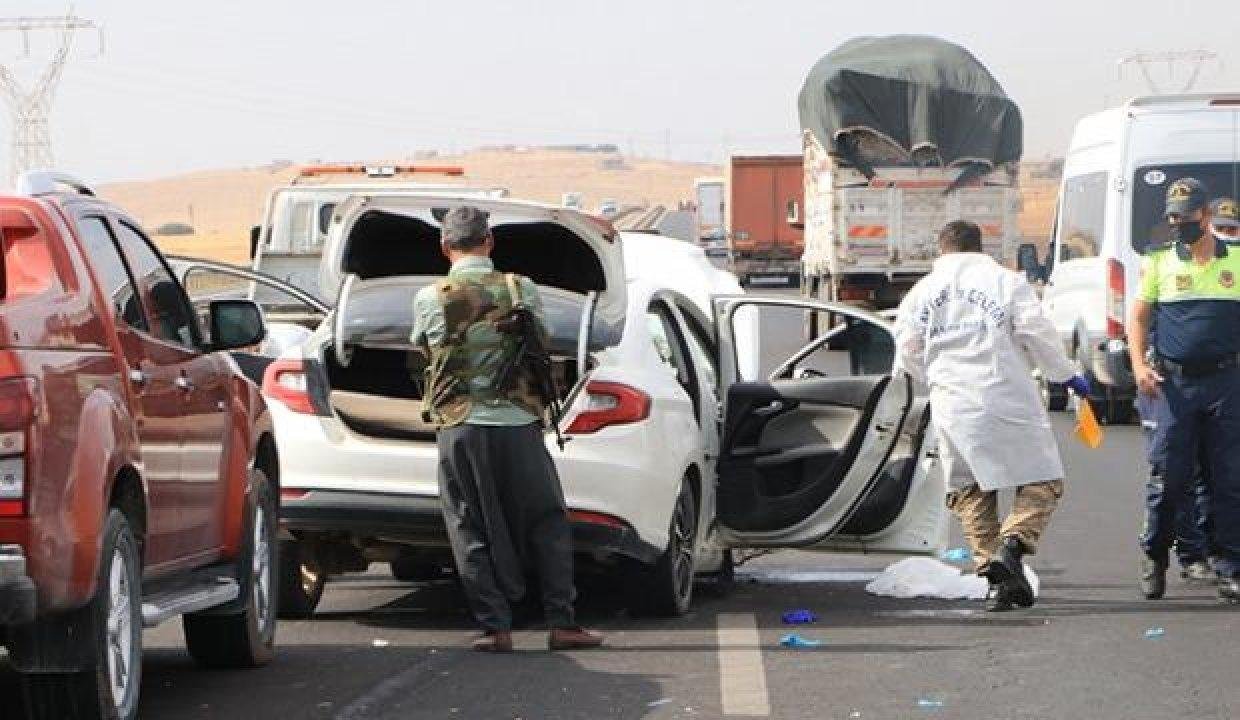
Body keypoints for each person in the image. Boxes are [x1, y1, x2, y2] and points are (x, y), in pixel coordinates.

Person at [410, 206, 605, 651]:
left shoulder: (429, 297)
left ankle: (495, 627)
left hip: (458, 426)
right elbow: (543, 342)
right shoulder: (522, 289)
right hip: (518, 424)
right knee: (547, 519)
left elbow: (423, 350)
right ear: (490, 242)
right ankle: (562, 622)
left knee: (467, 522)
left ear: (445, 248)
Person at [894, 220, 1089, 612]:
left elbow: (907, 353)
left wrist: (911, 386)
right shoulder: (1006, 282)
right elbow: (1036, 331)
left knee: (968, 492)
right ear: (980, 247)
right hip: (1004, 397)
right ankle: (1012, 545)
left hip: (952, 405)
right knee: (1042, 481)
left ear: (942, 250)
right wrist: (1068, 375)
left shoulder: (922, 292)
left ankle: (997, 578)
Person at [1128, 179, 1240, 604]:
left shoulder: (1237, 260)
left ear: (1206, 217)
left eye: (1186, 216)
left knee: (1228, 478)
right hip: (1174, 385)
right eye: (1173, 217)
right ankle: (1155, 556)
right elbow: (1139, 319)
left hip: (1225, 382)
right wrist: (1139, 366)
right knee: (1168, 478)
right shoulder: (1159, 263)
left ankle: (1231, 567)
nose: (1179, 223)